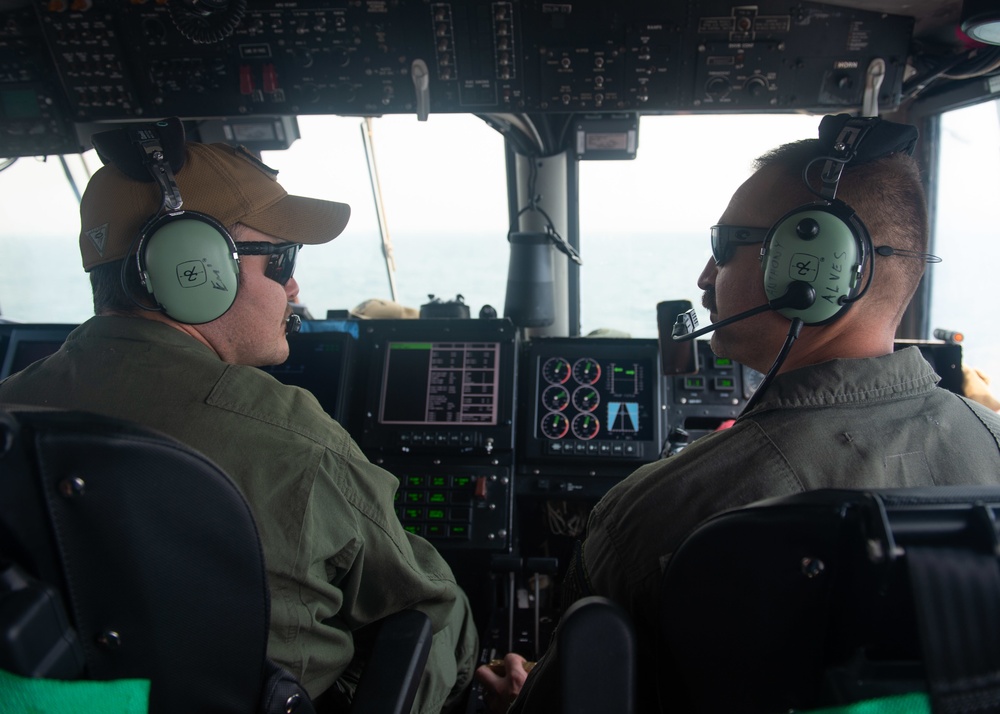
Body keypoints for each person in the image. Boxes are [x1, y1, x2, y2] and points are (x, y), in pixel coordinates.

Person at [475, 115, 1000, 712]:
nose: (704, 277)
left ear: (809, 267)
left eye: (724, 247)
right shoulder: (995, 444)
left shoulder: (654, 512)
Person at [0, 124, 477, 713]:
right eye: (281, 259)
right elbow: (427, 607)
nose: (294, 285)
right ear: (192, 268)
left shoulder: (7, 411)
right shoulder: (291, 438)